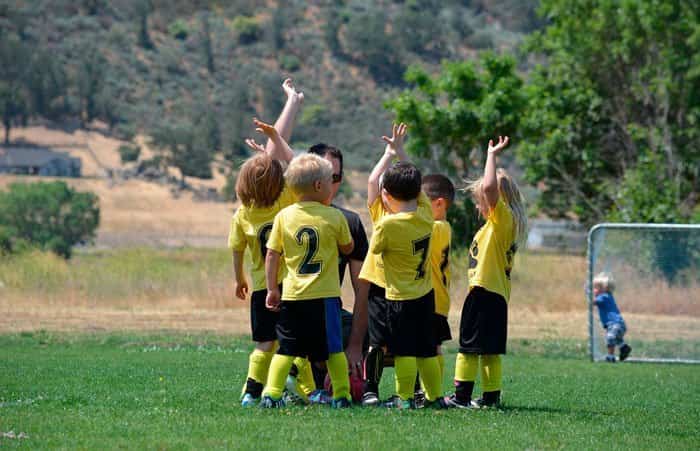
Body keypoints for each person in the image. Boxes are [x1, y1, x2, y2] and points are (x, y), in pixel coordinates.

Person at [229, 80, 316, 407]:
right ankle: (294, 386)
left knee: (264, 343)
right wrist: (279, 133)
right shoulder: (286, 200)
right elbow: (291, 164)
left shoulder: (243, 213)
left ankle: (251, 392)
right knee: (297, 341)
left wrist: (239, 279)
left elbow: (236, 248)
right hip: (289, 285)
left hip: (261, 289)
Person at [359, 123, 446, 409]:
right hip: (420, 293)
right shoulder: (424, 212)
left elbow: (375, 248)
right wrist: (394, 153)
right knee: (404, 347)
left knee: (403, 349)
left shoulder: (385, 223)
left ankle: (404, 398)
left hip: (398, 294)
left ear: (387, 194)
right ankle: (430, 398)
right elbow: (385, 183)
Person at [261, 153, 355, 408]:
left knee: (287, 349)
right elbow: (348, 248)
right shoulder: (334, 216)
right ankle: (342, 395)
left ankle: (271, 394)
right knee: (333, 349)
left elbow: (272, 254)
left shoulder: (284, 216)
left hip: (292, 297)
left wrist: (272, 289)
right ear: (318, 186)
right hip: (324, 297)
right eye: (330, 180)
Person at [446, 136, 528, 409]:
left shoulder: (501, 219)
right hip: (496, 296)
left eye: (481, 198)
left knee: (468, 349)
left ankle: (460, 398)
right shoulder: (500, 225)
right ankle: (490, 399)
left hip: (483, 293)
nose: (479, 204)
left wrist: (491, 155)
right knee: (490, 351)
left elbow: (491, 186)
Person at [414, 174, 455, 403]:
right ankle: (430, 392)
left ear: (439, 204)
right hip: (437, 300)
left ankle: (433, 394)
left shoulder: (438, 228)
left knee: (432, 348)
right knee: (432, 346)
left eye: (422, 203)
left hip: (434, 301)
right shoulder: (442, 227)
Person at [593, 272, 631, 362]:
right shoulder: (607, 296)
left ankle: (610, 357)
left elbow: (593, 302)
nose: (593, 290)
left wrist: (588, 294)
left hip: (615, 324)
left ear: (603, 289)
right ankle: (624, 348)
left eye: (595, 288)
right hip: (617, 324)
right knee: (616, 339)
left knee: (610, 338)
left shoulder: (604, 296)